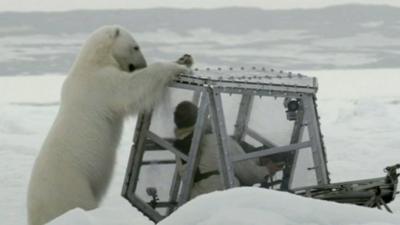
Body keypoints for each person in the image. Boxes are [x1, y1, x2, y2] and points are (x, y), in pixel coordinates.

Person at [173, 101, 271, 199]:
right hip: (223, 198)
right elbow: (249, 174)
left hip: (196, 200)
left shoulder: (181, 146)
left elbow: (207, 165)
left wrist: (257, 161)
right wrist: (267, 170)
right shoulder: (218, 140)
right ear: (200, 117)